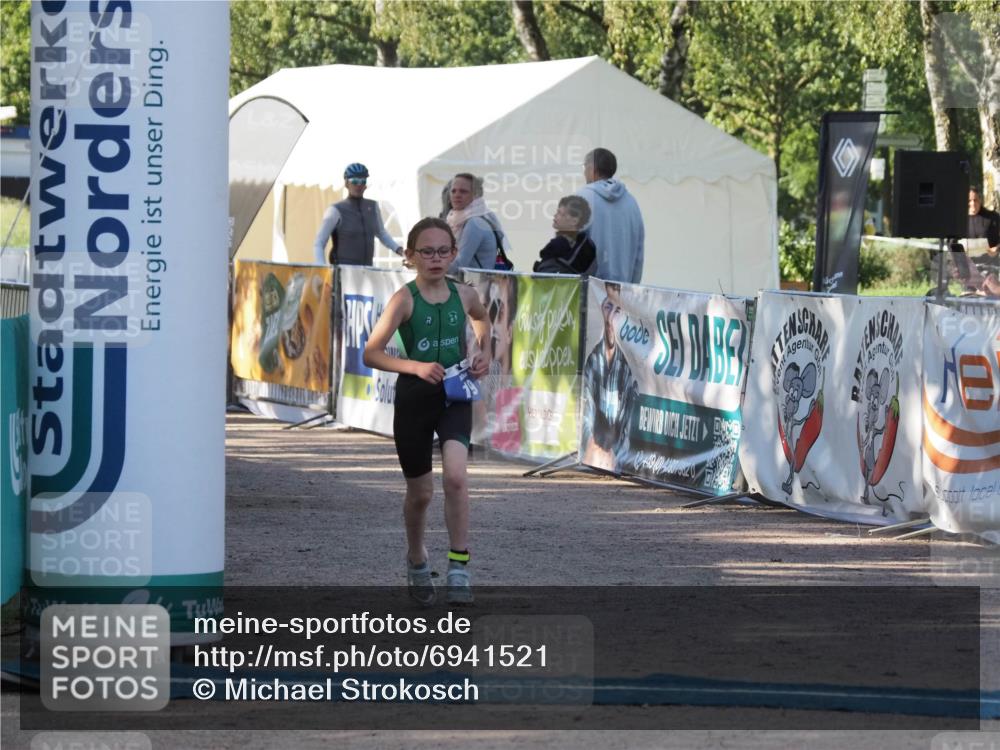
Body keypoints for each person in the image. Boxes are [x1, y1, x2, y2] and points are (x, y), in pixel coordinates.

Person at [363, 217, 491, 606]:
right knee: (420, 493)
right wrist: (415, 366)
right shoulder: (404, 300)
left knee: (456, 477)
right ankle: (417, 559)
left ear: (454, 254)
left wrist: (481, 349)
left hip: (453, 395)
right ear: (410, 256)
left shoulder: (465, 294)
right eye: (426, 252)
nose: (435, 259)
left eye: (442, 251)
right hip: (415, 398)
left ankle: (459, 568)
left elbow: (482, 319)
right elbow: (372, 352)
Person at [580, 281, 638, 472]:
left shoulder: (630, 367)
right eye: (608, 307)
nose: (612, 316)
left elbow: (628, 431)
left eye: (619, 309)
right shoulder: (593, 361)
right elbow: (586, 419)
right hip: (595, 454)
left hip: (617, 459)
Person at [576, 148, 645, 284]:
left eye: (584, 166)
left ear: (592, 168)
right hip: (621, 295)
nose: (584, 172)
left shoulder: (581, 198)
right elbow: (639, 255)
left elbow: (565, 250)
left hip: (588, 294)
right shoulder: (632, 203)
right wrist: (631, 290)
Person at [313, 162, 403, 265]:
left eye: (363, 181)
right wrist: (322, 268)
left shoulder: (372, 207)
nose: (359, 185)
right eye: (354, 181)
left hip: (366, 270)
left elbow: (381, 233)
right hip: (343, 271)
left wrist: (399, 250)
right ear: (347, 183)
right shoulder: (335, 210)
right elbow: (319, 243)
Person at [445, 173, 508, 272]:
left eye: (463, 191)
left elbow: (459, 264)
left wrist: (427, 267)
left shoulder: (475, 223)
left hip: (475, 285)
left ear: (476, 195)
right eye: (453, 191)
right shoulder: (460, 219)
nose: (457, 195)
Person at [533, 195, 597, 275]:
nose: (555, 215)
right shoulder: (587, 245)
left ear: (574, 221)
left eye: (560, 213)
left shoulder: (558, 247)